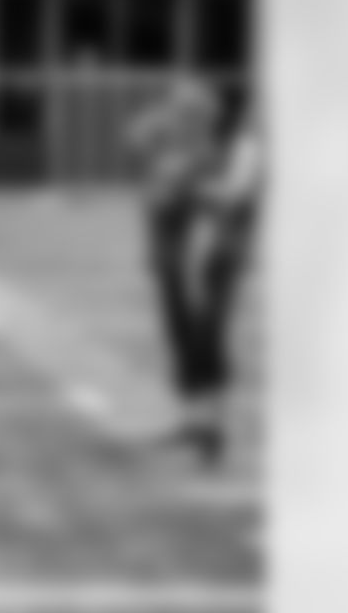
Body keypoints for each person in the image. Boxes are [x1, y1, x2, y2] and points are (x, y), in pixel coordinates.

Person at [127, 74, 259, 466]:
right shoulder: (176, 147)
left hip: (215, 258)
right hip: (180, 261)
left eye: (189, 111)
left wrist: (184, 182)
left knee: (208, 339)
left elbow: (233, 198)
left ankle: (212, 428)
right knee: (182, 337)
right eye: (178, 110)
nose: (179, 118)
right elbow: (138, 146)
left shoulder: (229, 149)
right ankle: (193, 421)